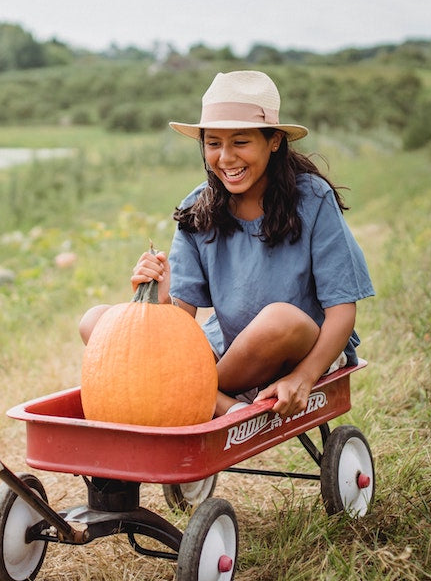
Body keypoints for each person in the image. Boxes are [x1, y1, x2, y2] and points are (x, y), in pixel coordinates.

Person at [80, 70, 374, 419]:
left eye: (241, 142)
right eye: (213, 143)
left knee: (278, 319)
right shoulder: (197, 210)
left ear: (274, 140)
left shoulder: (312, 198)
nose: (226, 158)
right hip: (230, 353)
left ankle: (192, 398)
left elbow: (342, 312)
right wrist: (157, 301)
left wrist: (303, 377)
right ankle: (218, 403)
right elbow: (180, 324)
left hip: (305, 348)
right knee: (96, 320)